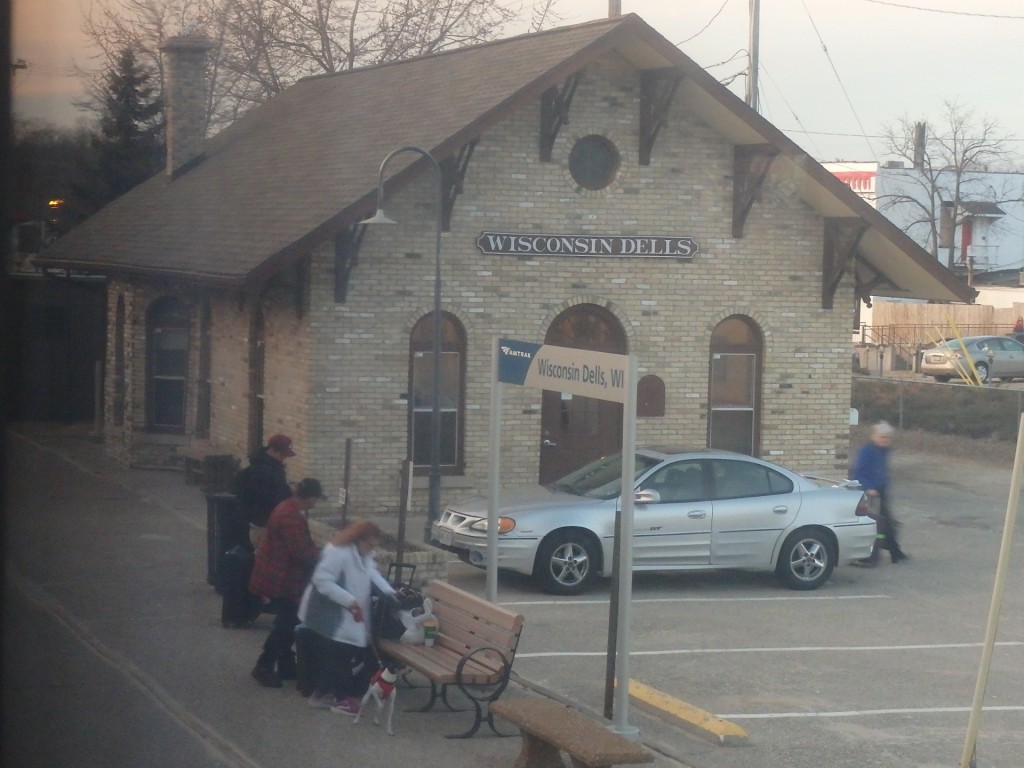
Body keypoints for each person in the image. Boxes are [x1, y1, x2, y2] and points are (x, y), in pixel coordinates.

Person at [296, 519, 397, 715]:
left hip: (347, 613)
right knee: (339, 656)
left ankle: (323, 695)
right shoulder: (338, 553)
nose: (372, 550)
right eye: (370, 545)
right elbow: (321, 581)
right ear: (359, 540)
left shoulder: (362, 553)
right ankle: (338, 699)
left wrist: (390, 591)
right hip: (331, 614)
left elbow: (372, 573)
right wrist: (350, 601)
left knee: (338, 656)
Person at [248, 478, 324, 687]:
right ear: (309, 498)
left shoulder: (287, 508)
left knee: (289, 621)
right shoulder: (290, 517)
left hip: (277, 574)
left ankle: (285, 665)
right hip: (282, 578)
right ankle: (264, 665)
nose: (315, 504)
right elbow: (301, 554)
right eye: (315, 500)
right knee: (286, 623)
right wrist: (323, 556)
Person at [852, 421, 908, 566]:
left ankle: (894, 551)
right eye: (882, 437)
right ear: (874, 436)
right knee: (880, 523)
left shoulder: (884, 451)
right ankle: (888, 552)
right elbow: (858, 473)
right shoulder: (867, 450)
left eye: (887, 437)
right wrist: (868, 487)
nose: (885, 440)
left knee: (887, 522)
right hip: (870, 492)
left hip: (881, 490)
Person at [236, 434, 295, 549]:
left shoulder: (269, 466)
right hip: (263, 525)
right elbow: (267, 498)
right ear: (274, 450)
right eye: (283, 454)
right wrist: (289, 491)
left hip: (265, 523)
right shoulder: (263, 470)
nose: (285, 457)